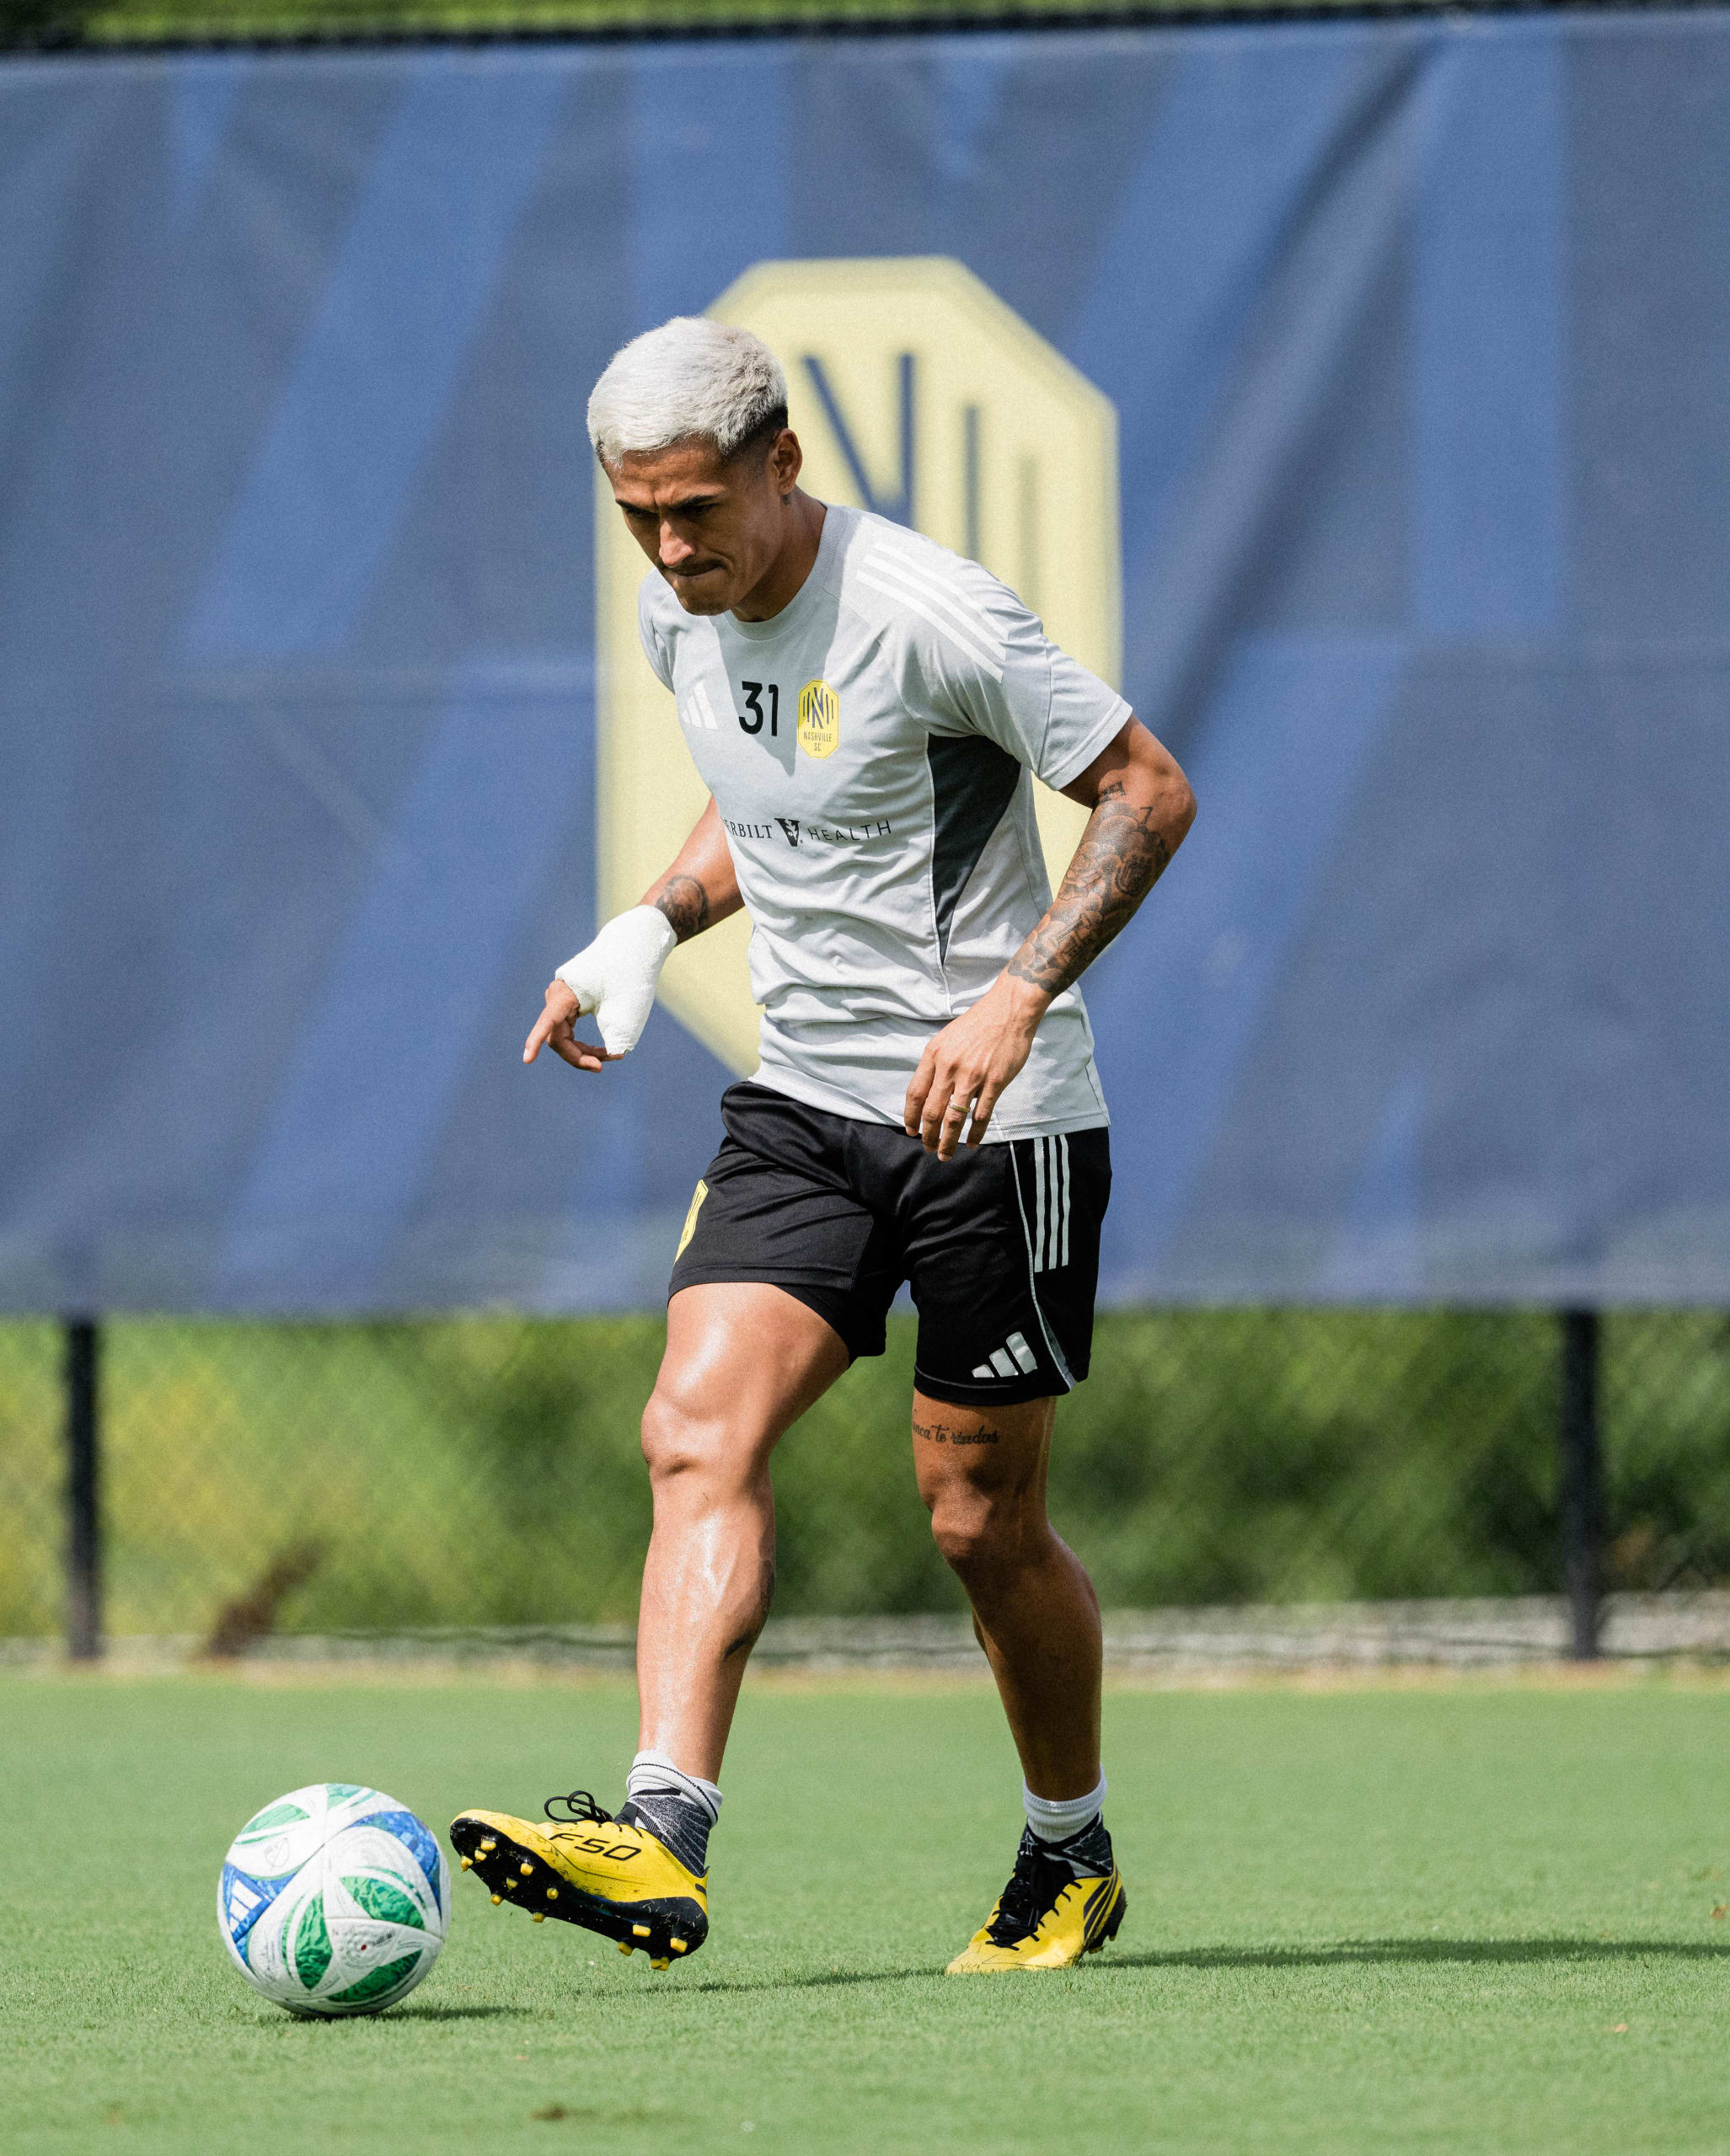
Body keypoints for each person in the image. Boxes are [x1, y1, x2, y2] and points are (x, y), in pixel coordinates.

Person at [451, 318, 1194, 1976]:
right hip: (802, 1109)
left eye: (696, 509)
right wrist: (648, 927)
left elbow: (1147, 791)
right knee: (691, 1428)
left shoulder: (929, 612)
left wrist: (1015, 996)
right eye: (638, 516)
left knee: (979, 1522)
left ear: (783, 462)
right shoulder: (682, 608)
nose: (669, 549)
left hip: (992, 1126)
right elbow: (770, 796)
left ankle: (1070, 1852)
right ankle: (660, 1835)